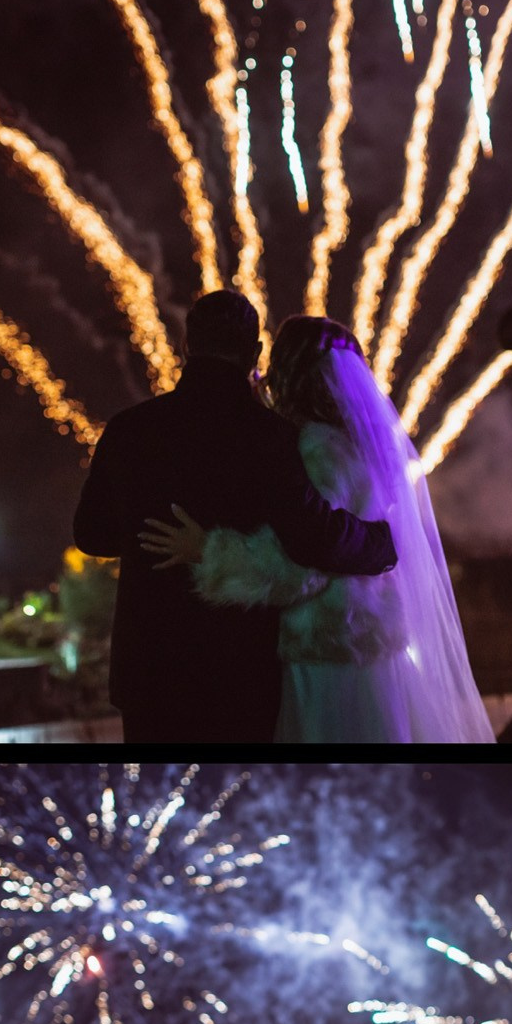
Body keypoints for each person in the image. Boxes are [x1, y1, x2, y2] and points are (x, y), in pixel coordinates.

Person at [136, 313, 496, 743]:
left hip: (328, 655)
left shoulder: (316, 448)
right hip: (370, 649)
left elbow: (305, 559)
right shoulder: (365, 450)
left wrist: (210, 552)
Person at [73, 289, 398, 744]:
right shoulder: (273, 436)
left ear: (186, 346)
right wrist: (384, 543)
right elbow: (311, 538)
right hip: (239, 669)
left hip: (148, 670)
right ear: (255, 353)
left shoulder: (128, 429)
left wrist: (147, 531)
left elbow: (92, 535)